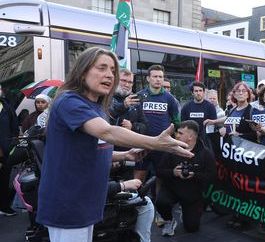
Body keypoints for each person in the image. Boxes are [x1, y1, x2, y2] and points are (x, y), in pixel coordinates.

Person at [36, 47, 192, 242]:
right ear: (83, 71)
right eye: (102, 68)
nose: (109, 75)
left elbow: (89, 150)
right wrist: (155, 143)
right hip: (68, 203)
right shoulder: (70, 101)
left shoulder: (97, 107)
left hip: (87, 201)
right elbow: (107, 132)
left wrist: (124, 155)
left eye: (112, 70)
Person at [156, 120, 215, 236]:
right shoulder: (171, 150)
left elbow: (212, 176)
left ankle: (187, 211)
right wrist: (173, 172)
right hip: (172, 188)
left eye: (180, 133)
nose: (176, 135)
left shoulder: (205, 154)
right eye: (177, 132)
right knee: (161, 202)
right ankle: (169, 220)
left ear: (190, 137)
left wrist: (195, 175)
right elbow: (159, 171)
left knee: (192, 228)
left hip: (192, 193)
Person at [135, 65, 180, 181]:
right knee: (138, 177)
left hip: (162, 145)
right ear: (148, 79)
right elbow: (133, 119)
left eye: (161, 77)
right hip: (142, 143)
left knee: (161, 177)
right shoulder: (139, 96)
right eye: (155, 76)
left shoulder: (170, 99)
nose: (158, 79)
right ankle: (135, 197)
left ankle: (158, 200)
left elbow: (177, 122)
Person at [0, 94, 19, 216]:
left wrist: (12, 143)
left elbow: (14, 126)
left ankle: (4, 206)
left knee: (4, 179)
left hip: (6, 151)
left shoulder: (6, 106)